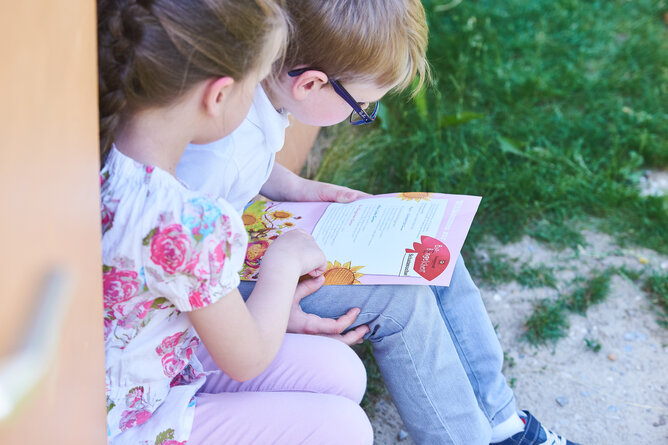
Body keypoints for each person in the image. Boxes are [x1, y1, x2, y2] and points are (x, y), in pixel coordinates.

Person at [176, 1, 584, 444]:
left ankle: (499, 418)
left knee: (429, 248)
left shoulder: (252, 96)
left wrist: (294, 186)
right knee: (399, 300)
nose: (362, 117)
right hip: (221, 295)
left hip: (246, 249)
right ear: (311, 84)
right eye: (363, 108)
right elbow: (190, 272)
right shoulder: (218, 151)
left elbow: (248, 165)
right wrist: (276, 303)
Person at [97, 1, 374, 444]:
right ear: (219, 95)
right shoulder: (191, 223)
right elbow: (246, 360)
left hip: (141, 363)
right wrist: (281, 264)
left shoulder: (101, 159)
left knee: (342, 372)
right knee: (346, 430)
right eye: (255, 85)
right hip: (127, 420)